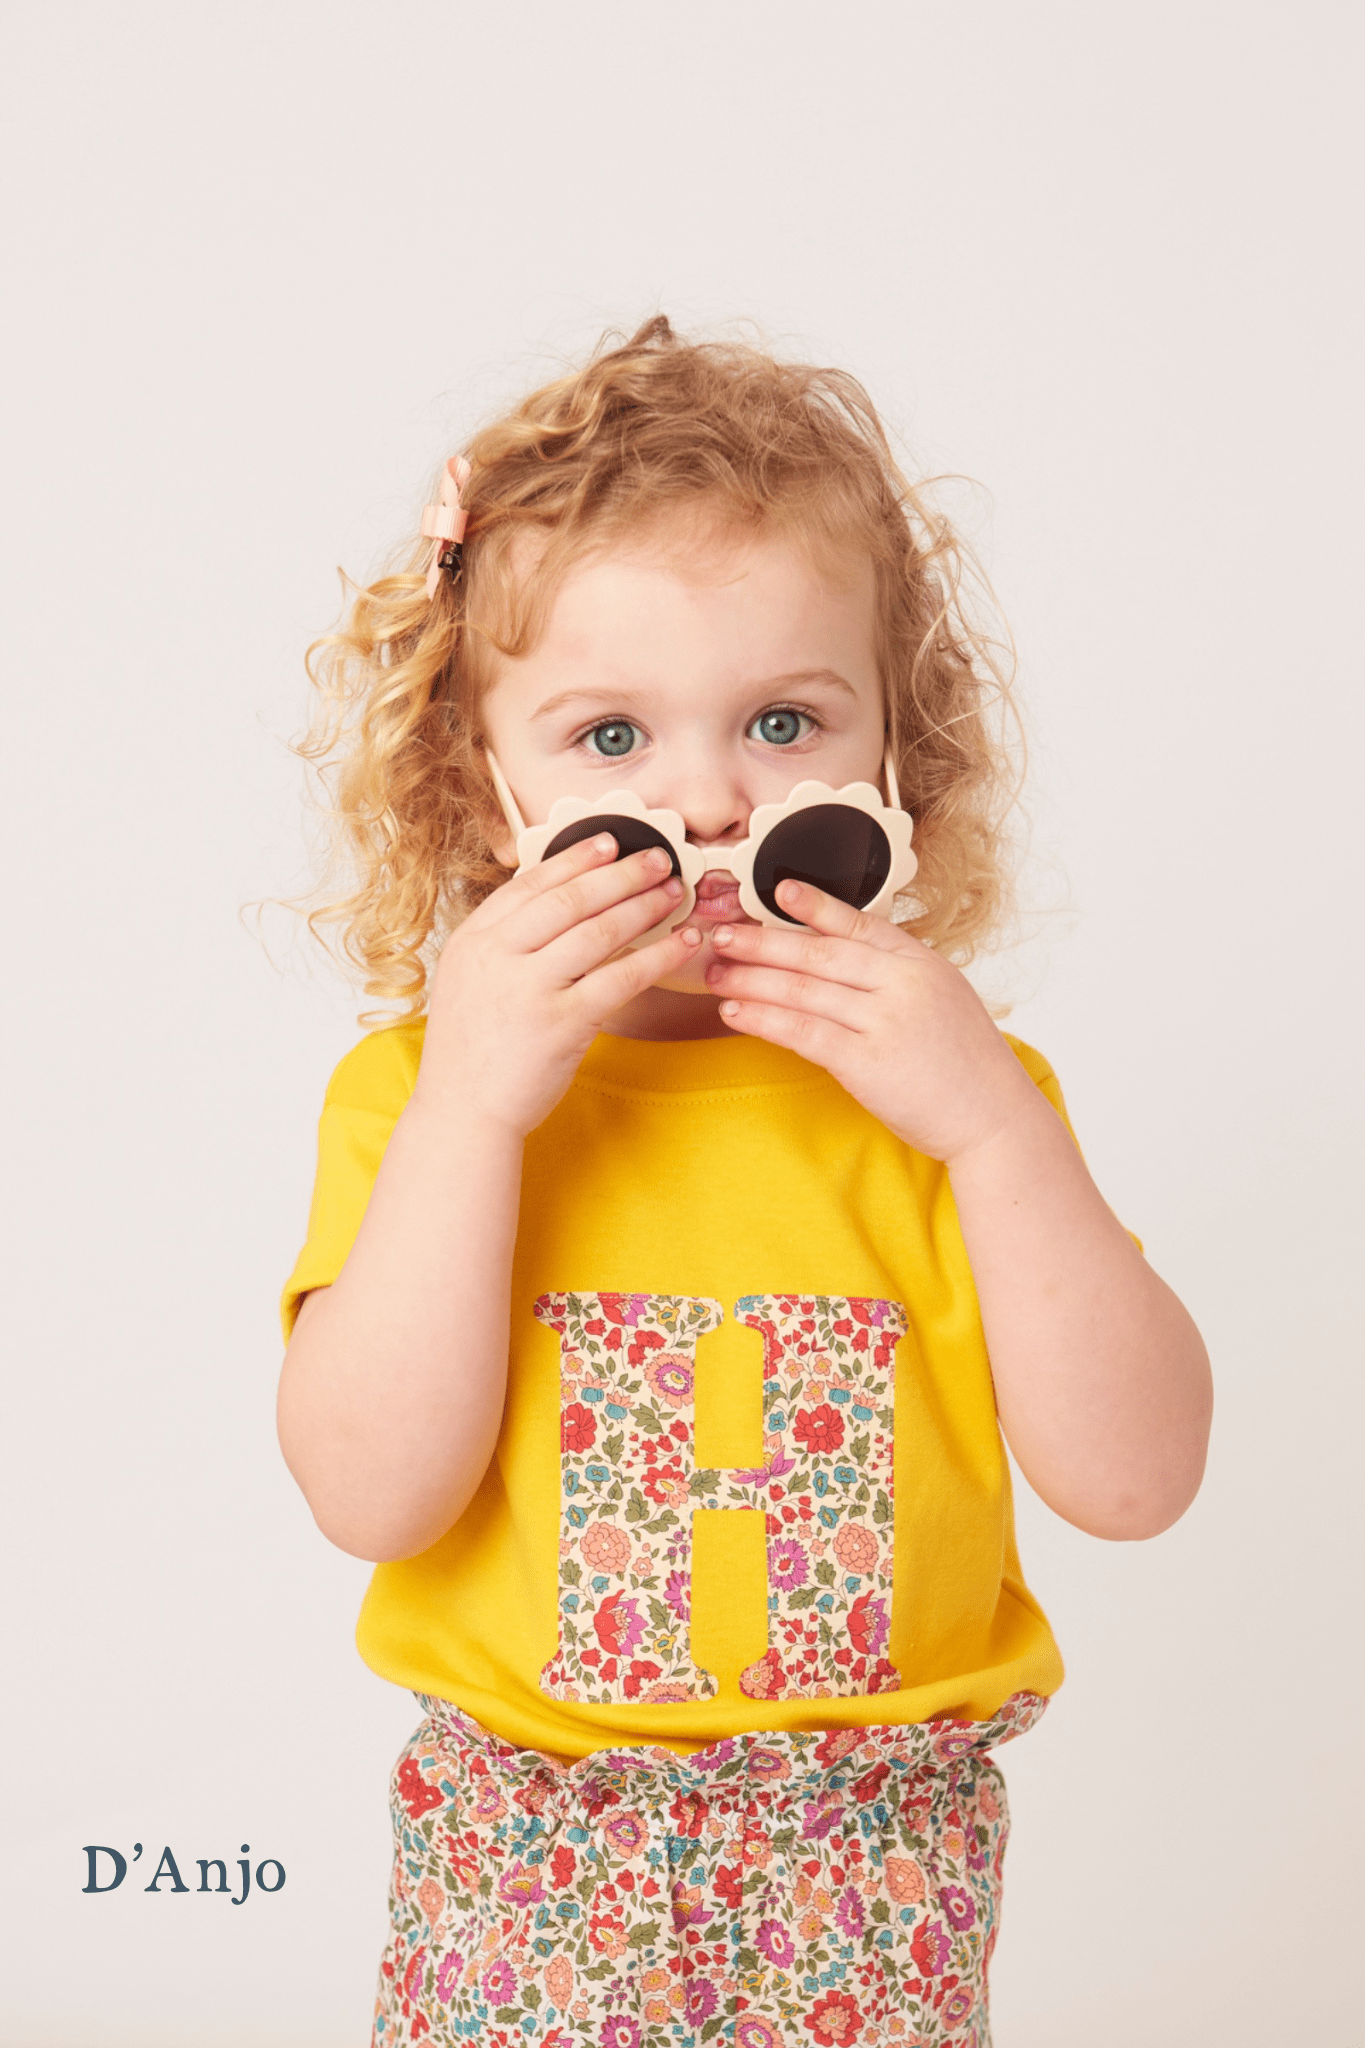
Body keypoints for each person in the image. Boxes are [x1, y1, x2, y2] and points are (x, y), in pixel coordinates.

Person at [277, 315, 1211, 2048]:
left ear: (891, 766)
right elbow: (370, 1501)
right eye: (610, 739)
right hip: (534, 1848)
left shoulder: (952, 1100)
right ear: (486, 796)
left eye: (782, 721)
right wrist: (476, 1109)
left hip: (873, 1860)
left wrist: (997, 1133)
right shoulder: (422, 1100)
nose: (707, 797)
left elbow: (1140, 1477)